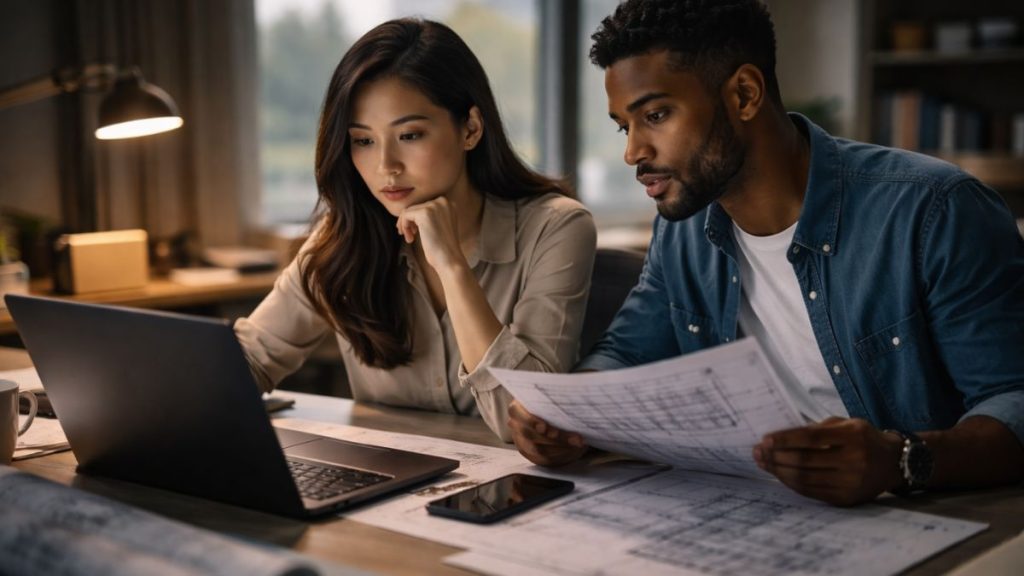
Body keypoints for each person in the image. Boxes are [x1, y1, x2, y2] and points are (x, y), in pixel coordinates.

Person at [508, 0, 1024, 506]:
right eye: (626, 125)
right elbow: (628, 352)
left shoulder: (934, 210)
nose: (632, 152)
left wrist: (901, 459)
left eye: (656, 115)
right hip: (744, 510)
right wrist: (566, 416)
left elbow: (1013, 399)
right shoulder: (684, 226)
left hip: (926, 521)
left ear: (745, 94)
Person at [236, 18, 596, 442]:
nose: (385, 166)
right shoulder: (344, 238)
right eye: (363, 141)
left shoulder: (557, 228)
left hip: (514, 492)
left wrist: (452, 267)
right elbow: (251, 361)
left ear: (471, 128)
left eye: (409, 134)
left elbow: (525, 419)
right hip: (383, 487)